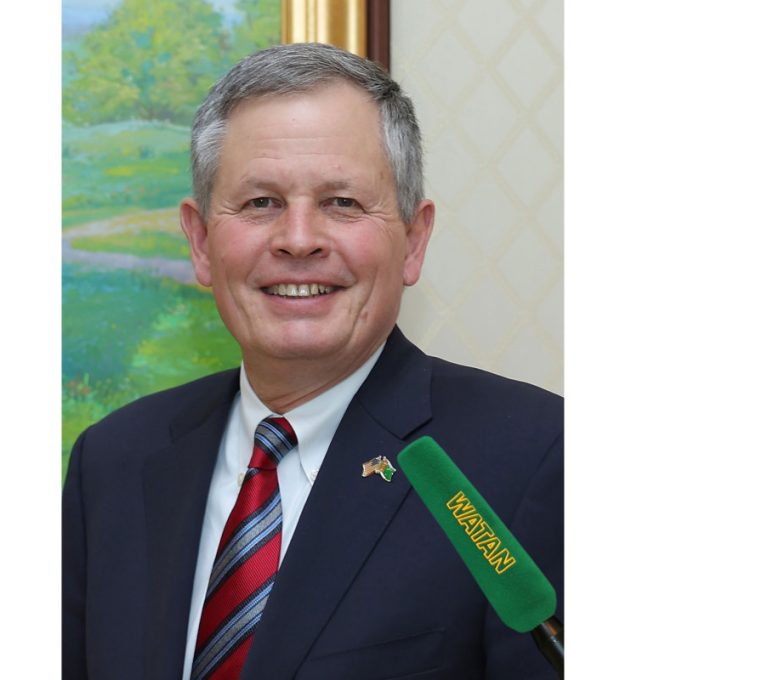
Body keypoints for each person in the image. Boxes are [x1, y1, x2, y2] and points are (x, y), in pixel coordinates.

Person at [63, 42, 563, 680]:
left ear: (414, 241)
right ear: (201, 241)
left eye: (342, 203)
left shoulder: (535, 459)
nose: (298, 240)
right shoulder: (112, 463)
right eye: (261, 203)